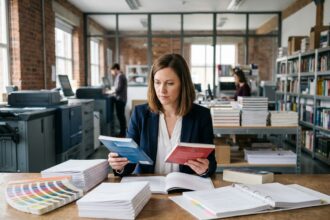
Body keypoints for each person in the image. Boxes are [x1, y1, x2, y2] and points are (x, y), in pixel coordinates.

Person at [108, 54, 217, 177]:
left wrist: (205, 168)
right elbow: (129, 164)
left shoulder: (201, 116)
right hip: (148, 189)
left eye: (169, 83)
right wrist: (119, 165)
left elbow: (211, 163)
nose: (161, 90)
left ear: (183, 84)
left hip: (186, 190)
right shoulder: (140, 114)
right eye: (157, 82)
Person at [111, 63, 127, 137]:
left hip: (120, 99)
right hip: (121, 99)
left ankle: (122, 133)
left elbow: (118, 88)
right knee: (121, 116)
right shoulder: (119, 76)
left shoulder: (120, 76)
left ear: (115, 69)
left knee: (121, 116)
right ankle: (122, 132)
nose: (112, 73)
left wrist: (111, 91)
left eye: (112, 71)